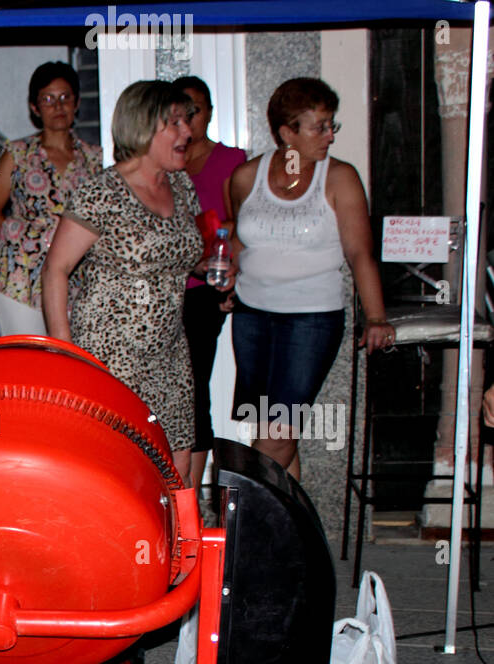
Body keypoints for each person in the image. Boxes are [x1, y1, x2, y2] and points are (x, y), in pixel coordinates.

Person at [42, 80, 229, 484]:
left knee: (178, 467)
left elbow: (189, 254)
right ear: (145, 128)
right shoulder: (102, 193)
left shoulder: (181, 186)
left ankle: (171, 547)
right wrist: (65, 350)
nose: (188, 133)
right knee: (122, 469)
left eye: (187, 121)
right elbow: (55, 268)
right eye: (175, 123)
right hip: (111, 357)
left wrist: (214, 268)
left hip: (171, 351)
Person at [226, 77, 395, 481]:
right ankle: (288, 536)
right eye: (319, 126)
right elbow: (238, 239)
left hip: (311, 319)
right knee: (269, 428)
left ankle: (240, 516)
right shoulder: (247, 176)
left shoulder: (340, 179)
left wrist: (375, 316)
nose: (330, 135)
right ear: (287, 132)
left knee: (279, 431)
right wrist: (224, 275)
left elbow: (360, 253)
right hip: (252, 317)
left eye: (331, 125)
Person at [0, 62, 103, 336]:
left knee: (69, 366)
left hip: (74, 278)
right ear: (35, 108)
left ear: (77, 103)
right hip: (20, 278)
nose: (58, 107)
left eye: (65, 98)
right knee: (26, 364)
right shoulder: (16, 153)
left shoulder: (94, 159)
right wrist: (28, 241)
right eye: (48, 99)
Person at [174, 75, 247, 492]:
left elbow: (244, 222)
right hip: (166, 289)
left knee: (194, 382)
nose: (189, 117)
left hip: (207, 290)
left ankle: (195, 493)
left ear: (210, 113)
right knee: (172, 386)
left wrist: (229, 272)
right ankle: (172, 488)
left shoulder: (229, 159)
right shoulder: (168, 159)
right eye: (181, 109)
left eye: (196, 108)